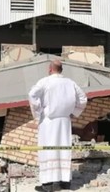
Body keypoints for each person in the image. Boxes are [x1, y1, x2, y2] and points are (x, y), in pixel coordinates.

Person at [28, 59, 87, 192]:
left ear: (50, 69)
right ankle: (64, 182)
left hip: (48, 122)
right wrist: (73, 112)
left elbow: (32, 94)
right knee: (63, 149)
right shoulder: (70, 83)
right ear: (61, 70)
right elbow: (83, 99)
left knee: (48, 150)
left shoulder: (45, 81)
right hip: (64, 121)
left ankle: (48, 185)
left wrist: (38, 112)